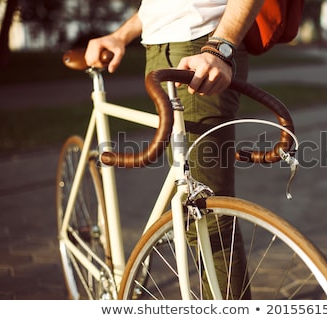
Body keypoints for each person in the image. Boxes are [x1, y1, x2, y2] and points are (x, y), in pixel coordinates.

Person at [85, 1, 265, 299]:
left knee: (208, 218)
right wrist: (121, 35)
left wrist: (221, 46)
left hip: (202, 49)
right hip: (157, 48)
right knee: (196, 208)